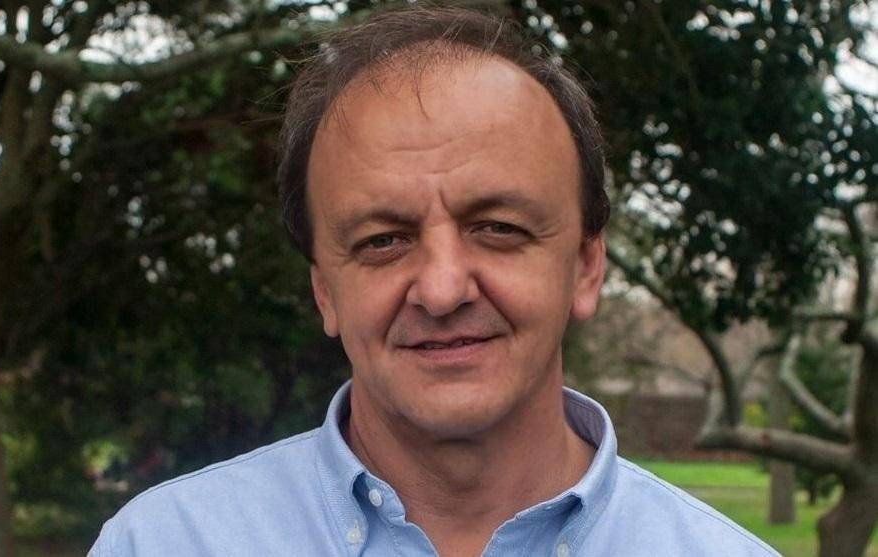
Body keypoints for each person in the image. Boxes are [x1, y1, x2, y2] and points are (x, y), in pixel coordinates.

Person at [90, 7, 778, 557]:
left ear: (586, 266)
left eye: (499, 227)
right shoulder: (163, 544)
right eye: (383, 240)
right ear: (325, 291)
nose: (443, 290)